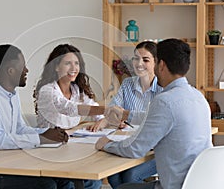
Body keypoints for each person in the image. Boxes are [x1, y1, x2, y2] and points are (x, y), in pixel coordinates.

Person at [96, 38, 213, 189]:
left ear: (161, 65)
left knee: (122, 187)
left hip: (175, 185)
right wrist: (127, 115)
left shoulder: (164, 101)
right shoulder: (199, 97)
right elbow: (154, 118)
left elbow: (135, 149)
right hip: (198, 182)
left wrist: (107, 144)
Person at [0, 44, 71, 189]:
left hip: (6, 166)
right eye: (23, 66)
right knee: (46, 185)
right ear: (10, 70)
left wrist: (49, 133)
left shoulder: (12, 95)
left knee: (64, 180)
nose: (27, 70)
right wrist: (41, 138)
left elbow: (20, 129)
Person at [88, 41, 163, 188]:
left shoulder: (163, 88)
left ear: (156, 62)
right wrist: (104, 121)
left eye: (145, 60)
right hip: (127, 143)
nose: (139, 63)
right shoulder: (128, 83)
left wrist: (125, 115)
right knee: (113, 173)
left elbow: (153, 118)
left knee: (129, 175)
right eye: (135, 58)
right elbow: (113, 110)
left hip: (152, 150)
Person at [33, 44, 104, 189]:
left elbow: (97, 111)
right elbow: (69, 108)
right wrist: (108, 110)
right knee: (81, 183)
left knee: (94, 181)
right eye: (68, 63)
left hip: (70, 149)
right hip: (49, 151)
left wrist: (104, 119)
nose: (74, 68)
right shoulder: (47, 90)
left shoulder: (77, 90)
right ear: (56, 67)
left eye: (76, 63)